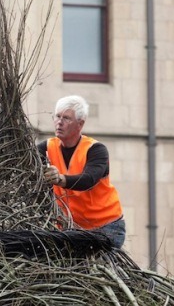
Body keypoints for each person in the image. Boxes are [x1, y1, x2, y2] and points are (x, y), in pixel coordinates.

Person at [38, 95, 126, 248]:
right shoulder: (47, 148)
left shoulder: (96, 150)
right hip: (71, 227)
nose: (60, 122)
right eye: (57, 116)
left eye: (66, 118)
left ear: (80, 124)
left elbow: (88, 180)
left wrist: (60, 179)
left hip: (105, 226)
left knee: (98, 269)